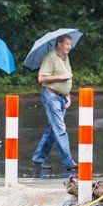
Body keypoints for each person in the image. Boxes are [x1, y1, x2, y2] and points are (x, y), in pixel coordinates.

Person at [31, 34, 77, 171]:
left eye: (70, 44)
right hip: (51, 97)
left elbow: (67, 78)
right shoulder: (50, 57)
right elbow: (41, 78)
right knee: (60, 129)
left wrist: (67, 94)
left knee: (53, 129)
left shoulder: (65, 58)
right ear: (59, 44)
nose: (70, 47)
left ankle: (38, 158)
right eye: (67, 44)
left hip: (62, 98)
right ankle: (68, 161)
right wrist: (62, 77)